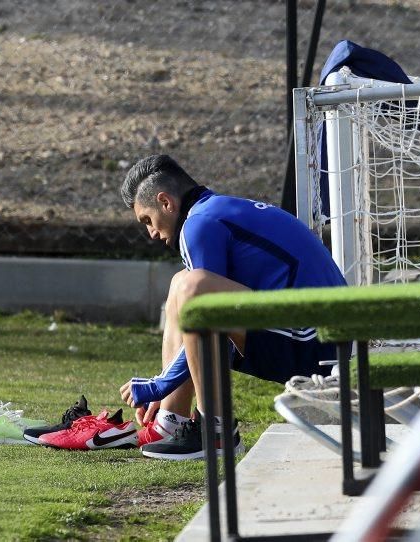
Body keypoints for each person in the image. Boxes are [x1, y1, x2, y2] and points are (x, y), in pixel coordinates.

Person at [118, 154, 346, 460]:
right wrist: (165, 384)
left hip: (317, 348)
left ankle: (215, 430)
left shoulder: (197, 225)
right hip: (322, 337)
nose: (151, 233)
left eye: (147, 220)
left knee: (192, 287)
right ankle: (172, 422)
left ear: (166, 202)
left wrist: (162, 383)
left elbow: (206, 312)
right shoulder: (217, 210)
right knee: (181, 283)